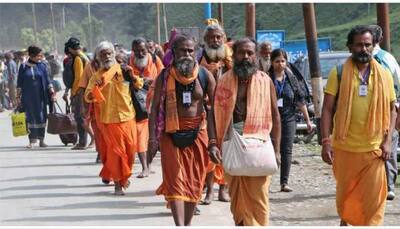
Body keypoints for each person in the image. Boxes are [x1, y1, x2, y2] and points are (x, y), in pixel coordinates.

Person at [321, 25, 396, 226]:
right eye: (359, 45)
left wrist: (388, 141)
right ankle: (346, 221)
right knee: (346, 200)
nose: (363, 49)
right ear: (350, 47)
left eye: (367, 45)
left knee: (374, 201)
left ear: (373, 46)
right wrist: (326, 141)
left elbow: (392, 109)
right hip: (345, 149)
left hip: (374, 149)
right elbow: (327, 108)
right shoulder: (338, 73)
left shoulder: (384, 75)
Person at [210, 37, 281, 226]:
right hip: (232, 142)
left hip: (259, 144)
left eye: (250, 53)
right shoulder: (223, 81)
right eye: (242, 52)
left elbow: (275, 116)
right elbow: (213, 113)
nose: (246, 56)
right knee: (237, 201)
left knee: (259, 199)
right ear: (234, 55)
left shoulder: (266, 81)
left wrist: (277, 150)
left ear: (256, 56)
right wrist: (212, 144)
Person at [147, 34, 217, 226]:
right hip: (171, 133)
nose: (186, 54)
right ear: (174, 53)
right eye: (182, 50)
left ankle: (187, 224)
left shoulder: (205, 75)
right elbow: (153, 109)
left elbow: (214, 110)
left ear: (195, 52)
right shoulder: (164, 75)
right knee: (175, 179)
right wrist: (152, 138)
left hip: (198, 133)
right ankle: (179, 225)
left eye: (190, 50)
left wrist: (213, 142)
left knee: (195, 181)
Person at [85, 41, 143, 195]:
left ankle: (124, 177)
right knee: (116, 153)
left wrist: (132, 77)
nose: (107, 56)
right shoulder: (96, 77)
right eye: (103, 54)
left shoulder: (124, 70)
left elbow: (139, 84)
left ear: (114, 54)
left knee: (130, 151)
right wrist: (96, 88)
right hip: (109, 120)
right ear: (98, 58)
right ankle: (118, 183)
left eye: (109, 53)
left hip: (128, 116)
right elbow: (88, 96)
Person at [268, 48, 312, 192]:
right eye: (277, 61)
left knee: (286, 149)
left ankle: (284, 182)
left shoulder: (291, 79)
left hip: (288, 117)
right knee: (269, 149)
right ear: (271, 62)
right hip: (270, 119)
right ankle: (266, 180)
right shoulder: (266, 78)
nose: (280, 64)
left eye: (283, 61)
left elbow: (300, 100)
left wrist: (307, 120)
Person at [198, 23, 232, 205]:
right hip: (207, 113)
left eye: (219, 37)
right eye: (212, 37)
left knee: (226, 151)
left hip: (227, 113)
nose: (215, 40)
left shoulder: (231, 61)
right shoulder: (198, 61)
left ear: (223, 39)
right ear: (206, 40)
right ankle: (209, 191)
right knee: (210, 152)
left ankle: (223, 190)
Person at [369, 24, 400, 201]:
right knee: (385, 146)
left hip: (385, 109)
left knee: (386, 144)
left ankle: (385, 184)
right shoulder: (388, 58)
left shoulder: (384, 59)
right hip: (380, 109)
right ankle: (383, 184)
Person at [129, 38, 164, 178]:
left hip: (156, 103)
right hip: (138, 105)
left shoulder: (155, 60)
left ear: (148, 49)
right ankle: (145, 167)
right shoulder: (129, 62)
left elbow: (164, 76)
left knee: (155, 137)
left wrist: (153, 81)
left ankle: (150, 164)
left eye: (142, 50)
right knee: (140, 136)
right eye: (137, 51)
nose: (140, 53)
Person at [16, 45, 56, 148]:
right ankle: (32, 140)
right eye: (38, 55)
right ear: (32, 55)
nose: (40, 57)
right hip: (28, 98)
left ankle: (41, 140)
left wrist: (52, 92)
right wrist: (17, 97)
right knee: (30, 118)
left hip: (41, 97)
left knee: (42, 117)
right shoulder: (23, 66)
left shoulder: (42, 66)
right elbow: (19, 83)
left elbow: (47, 80)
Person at [63, 37, 90, 150]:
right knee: (83, 117)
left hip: (80, 91)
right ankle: (86, 141)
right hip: (85, 90)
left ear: (70, 48)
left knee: (80, 117)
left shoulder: (78, 59)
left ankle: (82, 142)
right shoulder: (84, 56)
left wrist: (74, 92)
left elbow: (79, 78)